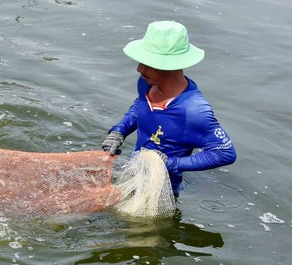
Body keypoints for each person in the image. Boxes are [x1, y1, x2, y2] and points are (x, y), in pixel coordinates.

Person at [101, 21, 236, 197]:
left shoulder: (194, 110)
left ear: (170, 66)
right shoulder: (146, 83)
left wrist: (171, 163)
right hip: (133, 172)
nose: (139, 68)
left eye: (148, 63)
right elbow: (139, 106)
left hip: (161, 191)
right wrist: (119, 131)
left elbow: (224, 153)